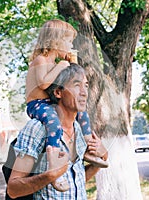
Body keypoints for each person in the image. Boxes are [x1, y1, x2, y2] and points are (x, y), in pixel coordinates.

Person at [25, 19, 108, 191]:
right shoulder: (41, 60)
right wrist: (61, 65)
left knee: (82, 113)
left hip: (50, 104)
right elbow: (43, 84)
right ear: (55, 40)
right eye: (68, 41)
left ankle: (87, 149)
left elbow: (75, 77)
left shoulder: (57, 62)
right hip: (37, 104)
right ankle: (53, 163)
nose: (71, 45)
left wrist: (72, 62)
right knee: (54, 123)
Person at [7, 63, 108, 199]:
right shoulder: (38, 128)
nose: (84, 92)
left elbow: (75, 182)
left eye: (86, 85)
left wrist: (100, 160)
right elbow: (13, 189)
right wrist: (50, 176)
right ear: (58, 92)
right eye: (77, 85)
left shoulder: (78, 128)